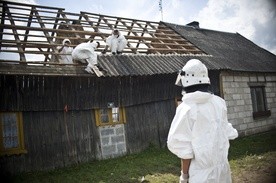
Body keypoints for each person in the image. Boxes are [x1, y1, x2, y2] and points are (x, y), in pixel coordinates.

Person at [167, 59, 238, 183]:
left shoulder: (186, 109)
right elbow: (225, 132)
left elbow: (184, 148)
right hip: (223, 172)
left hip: (201, 176)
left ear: (186, 80)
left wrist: (184, 176)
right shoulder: (219, 103)